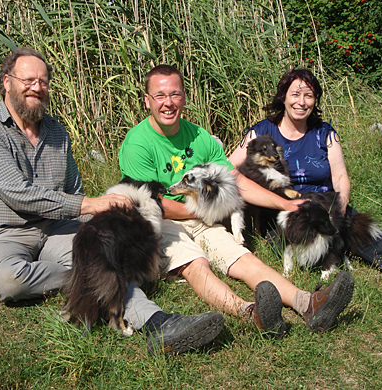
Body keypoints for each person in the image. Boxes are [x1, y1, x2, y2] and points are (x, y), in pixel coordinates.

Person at [0, 47, 225, 356]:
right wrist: (89, 206)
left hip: (56, 227)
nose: (37, 87)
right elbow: (16, 192)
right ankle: (91, 282)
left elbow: (73, 187)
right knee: (11, 282)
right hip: (4, 229)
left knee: (102, 258)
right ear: (7, 82)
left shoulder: (57, 132)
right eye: (28, 79)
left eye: (44, 81)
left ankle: (160, 323)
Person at [119, 64, 355, 337]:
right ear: (147, 100)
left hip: (202, 215)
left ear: (184, 97)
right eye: (160, 96)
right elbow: (154, 203)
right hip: (165, 222)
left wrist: (286, 204)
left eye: (175, 94)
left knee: (243, 258)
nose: (168, 103)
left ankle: (307, 303)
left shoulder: (198, 135)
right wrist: (206, 212)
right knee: (197, 264)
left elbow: (238, 181)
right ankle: (250, 312)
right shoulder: (137, 143)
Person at [229, 68, 382, 280]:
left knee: (375, 239)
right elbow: (229, 169)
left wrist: (341, 206)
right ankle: (332, 251)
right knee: (298, 247)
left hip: (325, 204)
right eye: (295, 94)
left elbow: (340, 177)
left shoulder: (325, 133)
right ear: (283, 97)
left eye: (308, 96)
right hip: (283, 213)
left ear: (315, 100)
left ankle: (343, 244)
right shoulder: (261, 132)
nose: (301, 102)